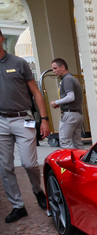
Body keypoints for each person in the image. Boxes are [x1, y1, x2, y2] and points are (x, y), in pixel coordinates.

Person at [0, 28, 50, 223]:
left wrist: (44, 119)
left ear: (2, 38)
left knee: (29, 163)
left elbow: (36, 93)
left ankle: (38, 191)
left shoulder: (19, 63)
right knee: (5, 167)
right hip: (1, 121)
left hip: (23, 119)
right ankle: (18, 206)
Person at [50, 58, 84, 149]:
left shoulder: (67, 79)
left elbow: (70, 97)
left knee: (65, 142)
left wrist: (56, 102)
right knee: (77, 143)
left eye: (55, 68)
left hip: (69, 114)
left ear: (63, 67)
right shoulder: (73, 78)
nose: (54, 71)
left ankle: (71, 162)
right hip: (77, 114)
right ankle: (82, 161)